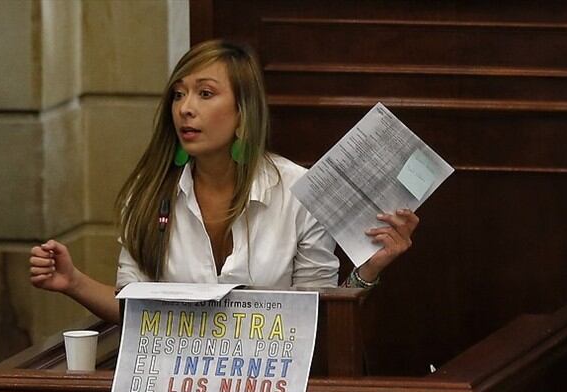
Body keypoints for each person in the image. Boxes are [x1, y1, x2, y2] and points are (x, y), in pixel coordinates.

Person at [29, 40, 419, 325]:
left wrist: (369, 269)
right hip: (178, 387)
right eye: (178, 94)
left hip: (268, 388)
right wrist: (73, 281)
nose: (185, 108)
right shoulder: (148, 194)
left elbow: (317, 314)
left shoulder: (297, 192)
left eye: (205, 93)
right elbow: (134, 307)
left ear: (242, 112)